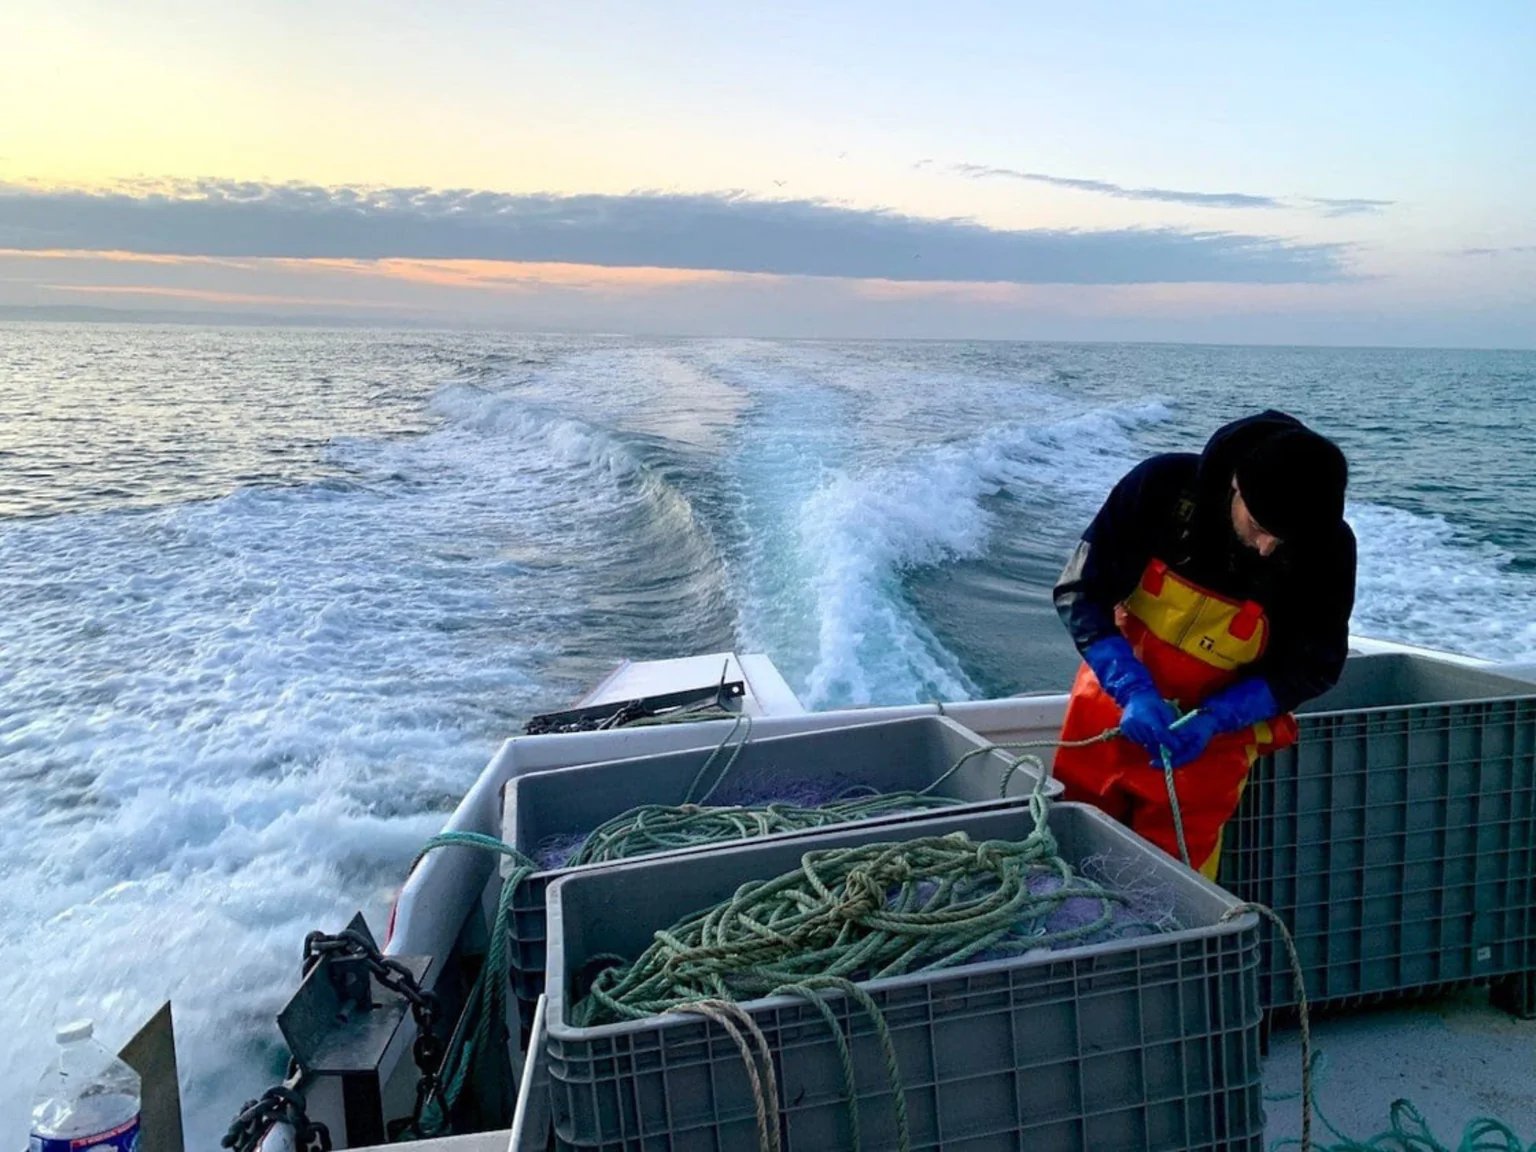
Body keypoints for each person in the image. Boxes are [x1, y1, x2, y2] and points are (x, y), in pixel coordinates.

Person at [1051, 410, 1357, 879]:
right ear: (1235, 486)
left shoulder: (1328, 547)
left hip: (1211, 741)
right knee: (1068, 845)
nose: (1266, 549)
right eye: (1258, 526)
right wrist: (1131, 690)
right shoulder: (1160, 487)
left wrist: (1217, 719)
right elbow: (1081, 591)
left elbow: (1315, 664)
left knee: (1174, 880)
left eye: (1284, 539)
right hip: (1109, 706)